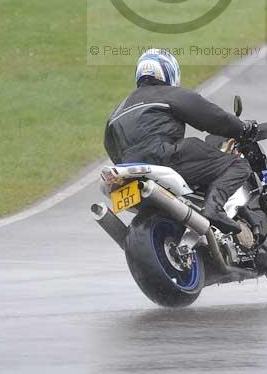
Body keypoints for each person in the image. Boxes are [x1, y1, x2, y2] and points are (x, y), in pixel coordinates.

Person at [104, 48, 259, 235]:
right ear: (169, 71)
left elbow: (111, 147)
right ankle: (214, 208)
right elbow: (213, 117)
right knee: (238, 164)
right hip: (165, 157)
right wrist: (242, 128)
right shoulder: (170, 94)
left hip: (130, 171)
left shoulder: (117, 111)